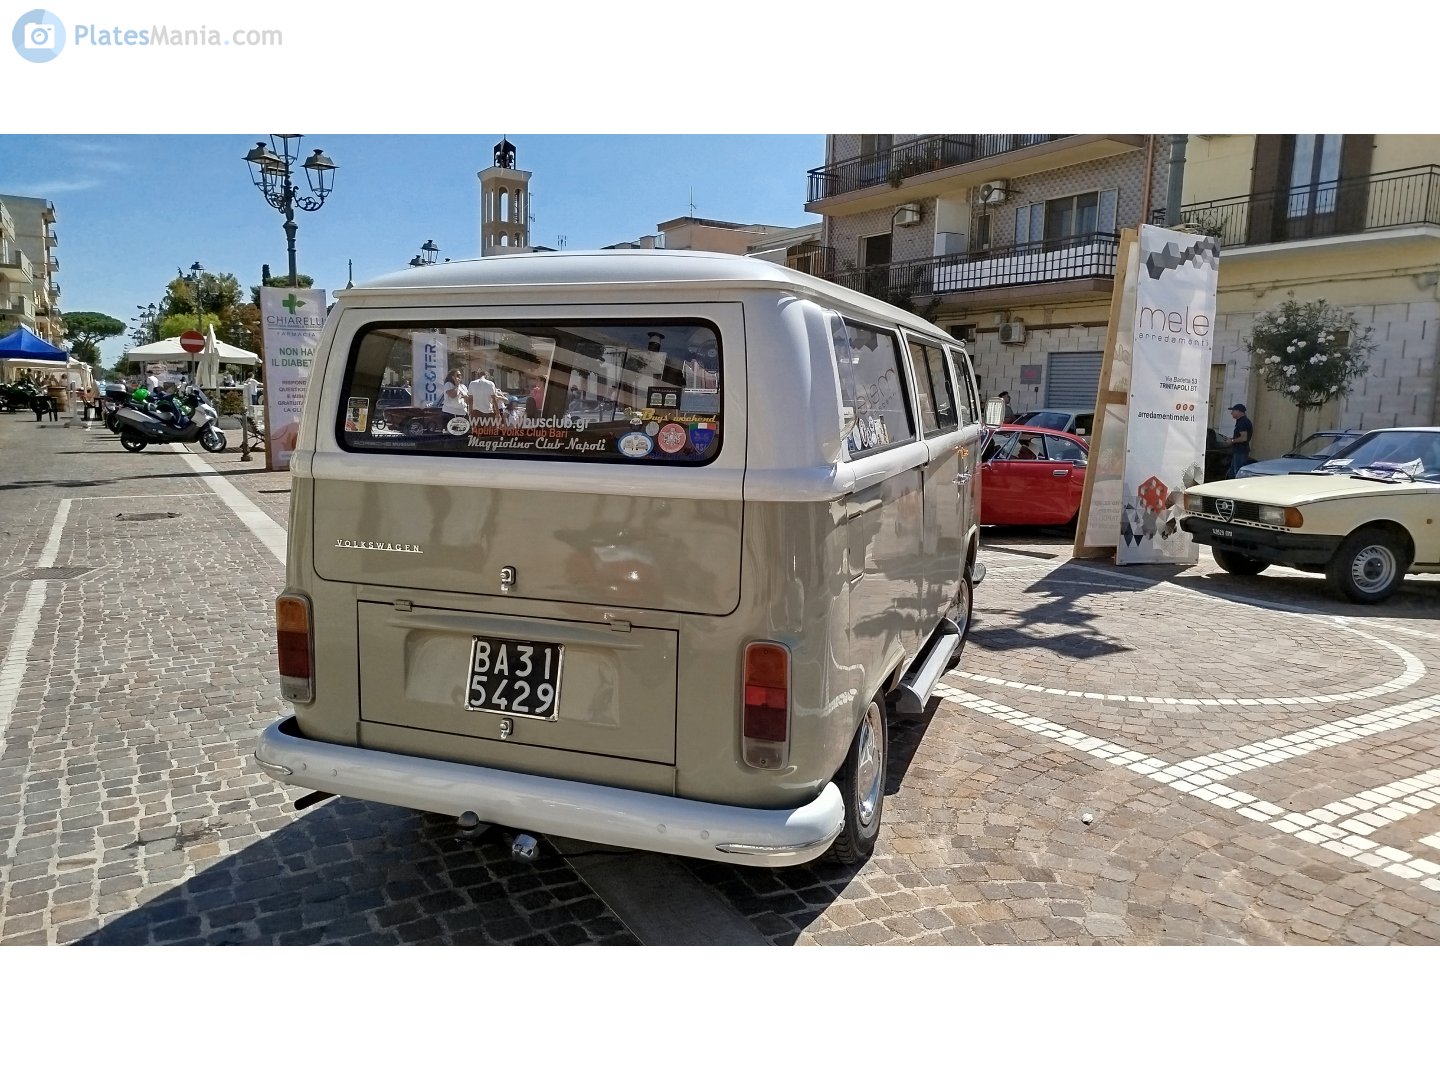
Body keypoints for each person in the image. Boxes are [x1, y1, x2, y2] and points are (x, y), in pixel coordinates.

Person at [1226, 402, 1253, 477]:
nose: (1231, 413)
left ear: (1239, 411)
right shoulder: (1241, 421)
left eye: (1233, 411)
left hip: (1241, 451)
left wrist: (1232, 441)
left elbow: (1244, 438)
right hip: (1238, 450)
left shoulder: (1243, 422)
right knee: (1233, 471)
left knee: (1237, 472)